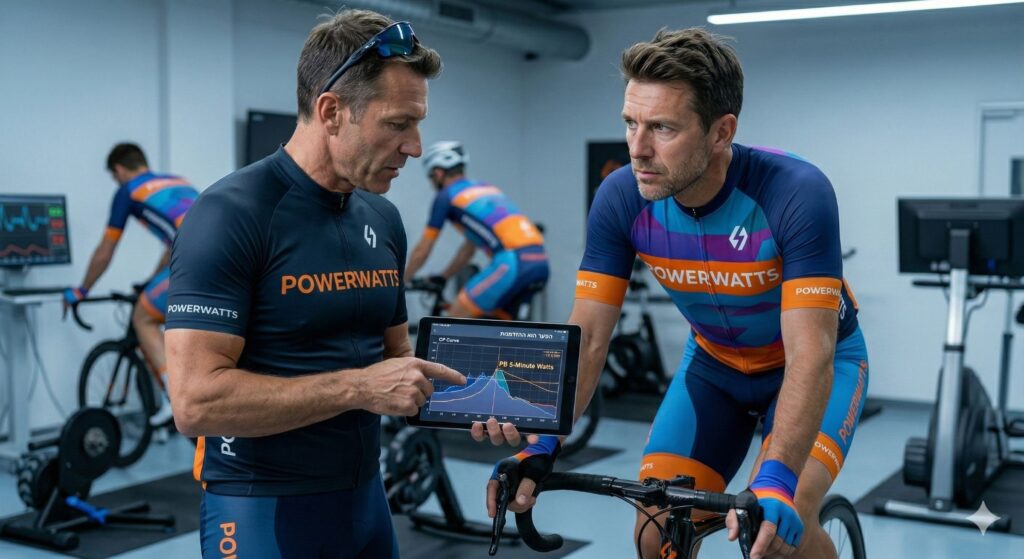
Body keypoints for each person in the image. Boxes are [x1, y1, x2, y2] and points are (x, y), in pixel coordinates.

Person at [479, 28, 869, 559]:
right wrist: (543, 441)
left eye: (662, 127)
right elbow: (588, 337)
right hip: (714, 367)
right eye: (630, 123)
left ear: (721, 132)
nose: (637, 149)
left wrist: (776, 476)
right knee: (655, 530)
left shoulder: (795, 191)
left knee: (780, 528)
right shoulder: (621, 197)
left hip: (818, 364)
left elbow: (810, 354)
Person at [163, 10, 463, 558]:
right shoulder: (230, 215)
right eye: (398, 124)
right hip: (261, 507)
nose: (416, 147)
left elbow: (395, 359)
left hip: (365, 501)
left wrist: (482, 402)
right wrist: (358, 389)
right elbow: (196, 402)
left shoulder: (382, 217)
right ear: (331, 111)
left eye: (417, 124)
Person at [64, 142, 197, 427]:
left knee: (143, 317)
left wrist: (81, 290)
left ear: (119, 170)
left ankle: (176, 398)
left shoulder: (128, 191)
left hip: (197, 257)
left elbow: (106, 250)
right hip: (230, 254)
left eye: (115, 177)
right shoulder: (176, 181)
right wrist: (152, 280)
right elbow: (174, 244)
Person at [404, 141, 549, 319]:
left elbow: (423, 249)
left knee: (452, 323)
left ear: (439, 173)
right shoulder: (486, 189)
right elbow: (468, 250)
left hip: (512, 263)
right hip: (540, 261)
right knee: (502, 330)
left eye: (431, 177)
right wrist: (444, 276)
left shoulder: (446, 196)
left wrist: (402, 281)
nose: (432, 183)